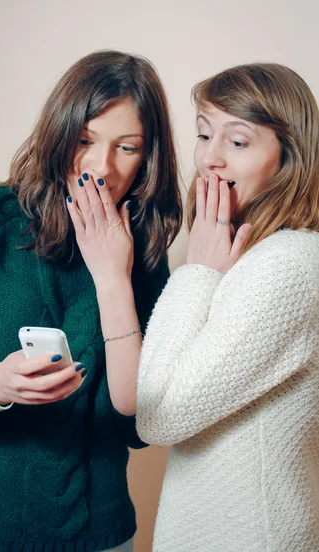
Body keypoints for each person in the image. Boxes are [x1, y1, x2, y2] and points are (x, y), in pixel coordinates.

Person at [0, 49, 183, 552]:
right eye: (85, 140)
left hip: (96, 533)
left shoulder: (143, 252)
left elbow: (138, 424)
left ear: (148, 158)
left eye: (127, 148)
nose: (101, 167)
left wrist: (112, 278)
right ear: (58, 133)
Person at [136, 63, 319, 552]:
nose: (209, 159)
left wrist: (198, 273)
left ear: (288, 157)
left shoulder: (287, 263)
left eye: (237, 142)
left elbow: (157, 415)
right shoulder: (255, 256)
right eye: (203, 133)